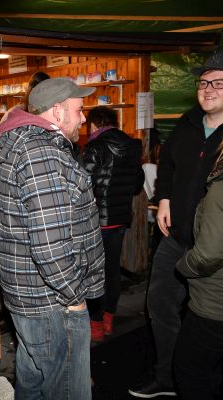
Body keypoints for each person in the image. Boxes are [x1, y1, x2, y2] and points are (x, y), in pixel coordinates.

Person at [0, 77, 105, 400]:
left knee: (32, 383)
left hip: (32, 297)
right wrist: (74, 297)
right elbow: (49, 245)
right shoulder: (41, 153)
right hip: (52, 301)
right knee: (67, 390)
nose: (83, 118)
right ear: (57, 112)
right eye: (78, 110)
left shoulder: (28, 145)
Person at [129, 50, 223, 398]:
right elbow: (166, 164)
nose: (208, 90)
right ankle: (167, 377)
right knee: (160, 305)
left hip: (214, 249)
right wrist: (164, 198)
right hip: (175, 237)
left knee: (207, 324)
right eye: (203, 83)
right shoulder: (187, 123)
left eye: (218, 83)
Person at [82, 106, 144, 342]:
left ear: (94, 124)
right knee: (112, 270)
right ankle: (108, 319)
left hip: (97, 221)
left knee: (94, 272)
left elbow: (82, 184)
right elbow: (137, 184)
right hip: (118, 221)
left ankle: (96, 324)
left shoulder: (95, 146)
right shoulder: (132, 146)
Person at [174, 146, 223, 400]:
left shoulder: (220, 191)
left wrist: (183, 266)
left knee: (191, 373)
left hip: (213, 306)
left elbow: (207, 256)